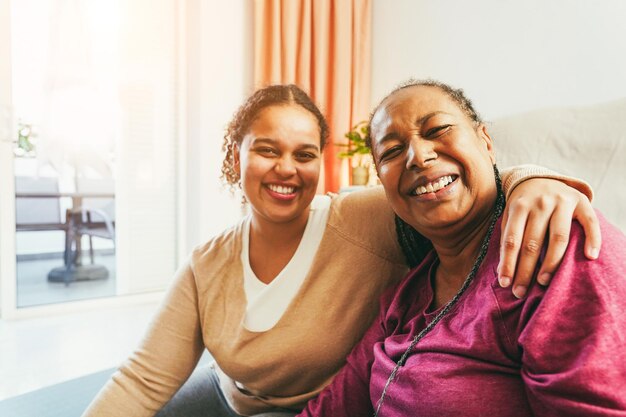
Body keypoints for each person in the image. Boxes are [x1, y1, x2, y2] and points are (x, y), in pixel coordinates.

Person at [82, 84, 601, 417]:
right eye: (266, 150)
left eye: (304, 154)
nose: (287, 168)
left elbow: (449, 187)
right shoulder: (207, 262)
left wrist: (534, 181)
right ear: (232, 158)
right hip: (230, 398)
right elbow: (143, 378)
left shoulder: (361, 215)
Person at [297, 80, 626, 417]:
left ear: (486, 142)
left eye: (437, 129)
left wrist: (529, 178)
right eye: (392, 151)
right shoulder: (405, 298)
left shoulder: (557, 245)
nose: (418, 157)